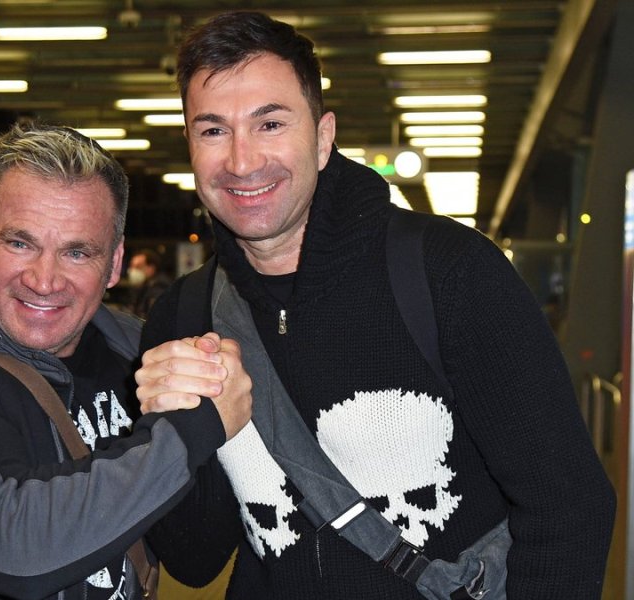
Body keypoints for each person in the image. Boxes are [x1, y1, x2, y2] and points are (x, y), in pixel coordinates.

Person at [134, 11, 617, 599]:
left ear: (323, 136)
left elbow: (568, 503)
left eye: (270, 124)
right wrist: (174, 433)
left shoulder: (448, 273)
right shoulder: (185, 319)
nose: (241, 161)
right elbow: (194, 558)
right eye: (213, 130)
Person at [0, 122, 251, 600]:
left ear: (114, 264)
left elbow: (195, 557)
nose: (45, 280)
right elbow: (13, 546)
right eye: (20, 243)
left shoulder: (137, 353)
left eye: (77, 252)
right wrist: (192, 429)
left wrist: (220, 389)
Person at [127, 249, 172, 319]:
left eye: (138, 267)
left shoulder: (159, 287)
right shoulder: (146, 285)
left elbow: (154, 318)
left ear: (151, 268)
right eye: (131, 266)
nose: (132, 270)